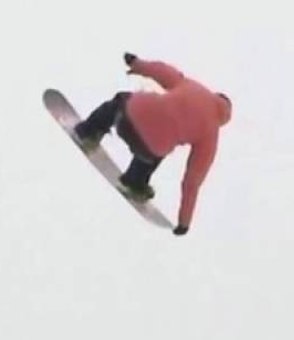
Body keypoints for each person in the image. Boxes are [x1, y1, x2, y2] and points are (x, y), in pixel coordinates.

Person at [74, 52, 232, 236]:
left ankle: (88, 131)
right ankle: (134, 182)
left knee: (120, 101)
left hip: (128, 117)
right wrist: (184, 222)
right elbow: (192, 181)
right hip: (147, 149)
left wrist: (137, 64)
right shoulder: (211, 134)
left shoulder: (193, 86)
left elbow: (162, 72)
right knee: (160, 147)